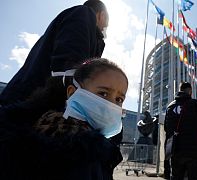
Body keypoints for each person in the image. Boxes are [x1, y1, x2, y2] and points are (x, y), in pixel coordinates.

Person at [0, 58, 128, 179]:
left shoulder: (96, 147)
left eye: (119, 99)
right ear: (72, 92)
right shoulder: (77, 151)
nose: (111, 104)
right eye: (103, 93)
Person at [0, 0, 108, 106]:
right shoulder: (83, 13)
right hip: (26, 104)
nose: (105, 29)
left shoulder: (87, 31)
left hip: (28, 101)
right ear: (102, 15)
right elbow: (69, 65)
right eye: (106, 24)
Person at [164, 82, 197, 180]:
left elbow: (167, 128)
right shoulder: (195, 104)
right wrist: (196, 132)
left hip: (176, 149)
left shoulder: (170, 107)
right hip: (194, 150)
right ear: (190, 91)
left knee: (176, 177)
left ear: (179, 90)